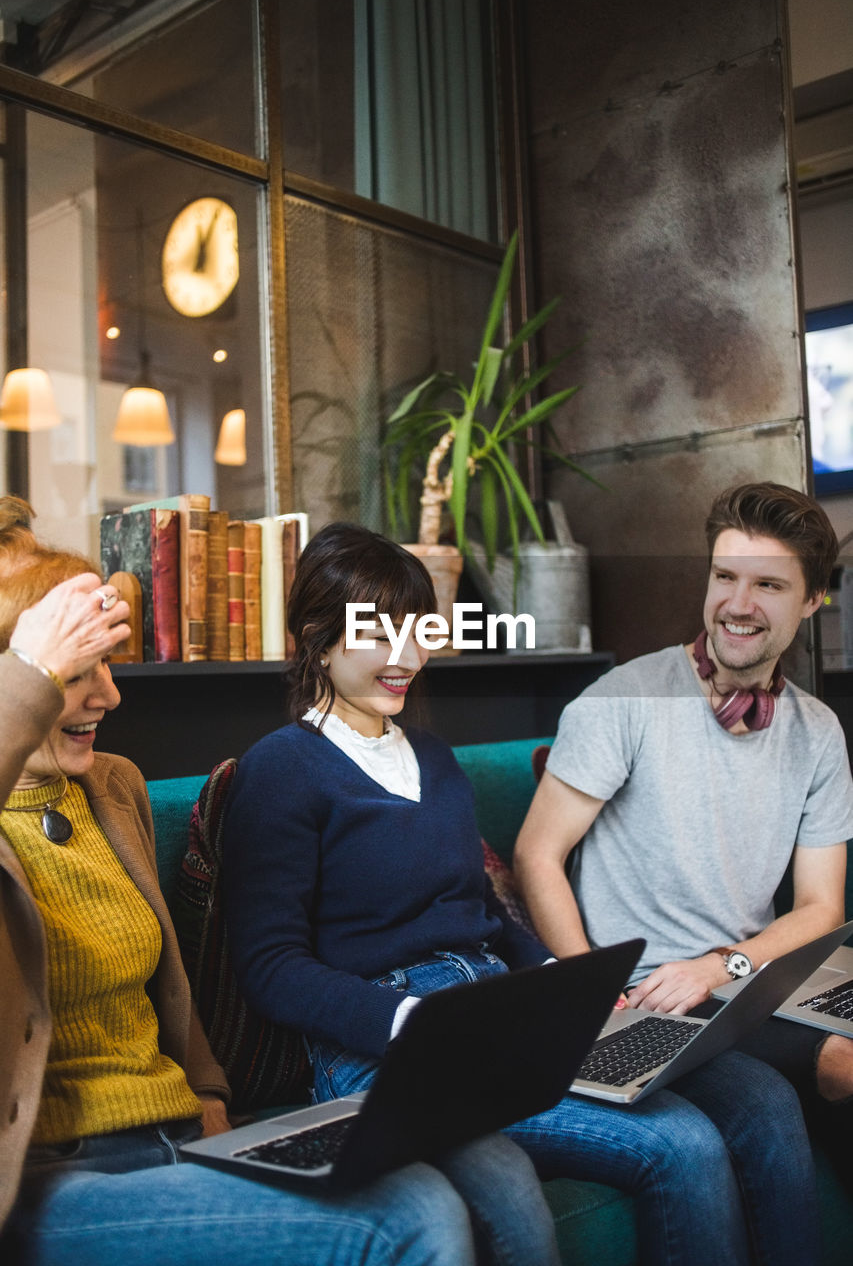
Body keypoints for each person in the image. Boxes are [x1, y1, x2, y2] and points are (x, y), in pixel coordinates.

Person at [222, 518, 823, 1266]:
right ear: (315, 634)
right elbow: (270, 966)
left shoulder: (433, 759)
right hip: (379, 1044)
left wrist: (558, 980)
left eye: (417, 632)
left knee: (700, 1132)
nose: (407, 658)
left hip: (494, 1011)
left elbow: (480, 916)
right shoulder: (281, 770)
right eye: (379, 634)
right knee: (677, 1148)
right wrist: (409, 1018)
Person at [0, 496, 559, 1266]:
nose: (111, 694)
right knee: (411, 1212)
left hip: (181, 1131)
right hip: (58, 1170)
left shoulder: (109, 785)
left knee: (474, 1179)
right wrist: (28, 677)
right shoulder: (282, 768)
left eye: (106, 662)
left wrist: (213, 1100)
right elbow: (274, 965)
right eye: (71, 670)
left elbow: (170, 984)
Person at [513, 480, 853, 1142]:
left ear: (811, 600)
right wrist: (591, 986)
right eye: (724, 576)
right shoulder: (622, 701)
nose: (736, 604)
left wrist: (724, 964)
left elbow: (820, 908)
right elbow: (537, 853)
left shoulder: (816, 730)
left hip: (748, 981)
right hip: (650, 994)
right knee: (841, 1060)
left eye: (768, 585)